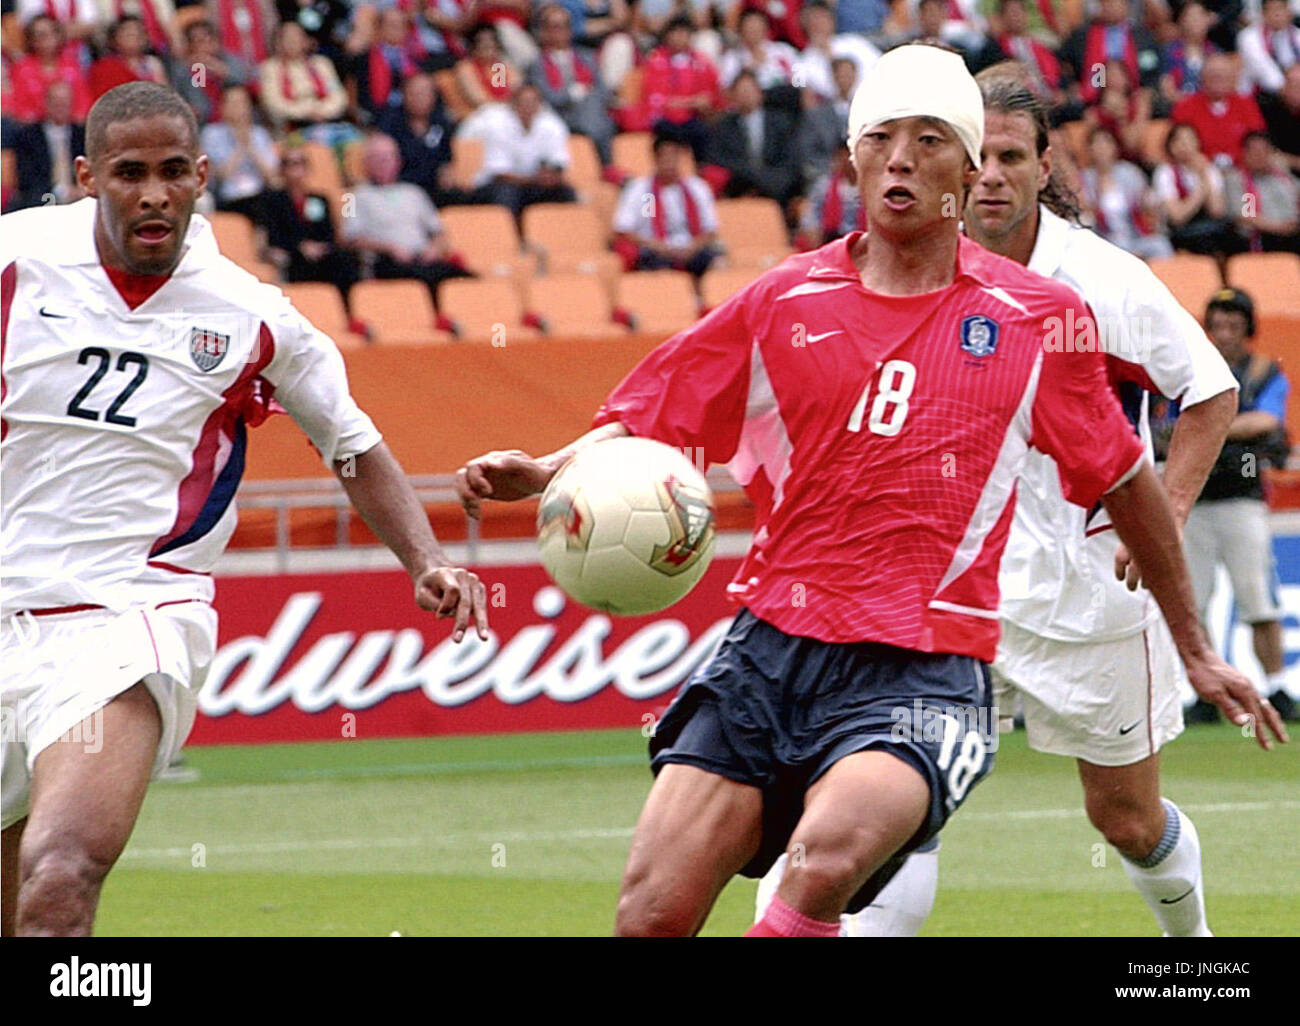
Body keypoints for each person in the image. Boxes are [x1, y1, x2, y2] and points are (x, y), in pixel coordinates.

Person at [454, 45, 1281, 937]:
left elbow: (1126, 478)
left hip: (926, 661)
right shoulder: (783, 298)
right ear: (850, 157)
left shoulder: (1042, 317)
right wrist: (552, 467)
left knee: (837, 864)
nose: (901, 158)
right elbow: (662, 402)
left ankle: (1192, 955)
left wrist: (1195, 649)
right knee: (650, 913)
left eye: (931, 140)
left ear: (967, 169)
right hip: (770, 647)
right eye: (881, 137)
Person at [761, 63, 1268, 938]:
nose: (990, 174)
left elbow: (1211, 391)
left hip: (1091, 599)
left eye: (1010, 156)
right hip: (948, 594)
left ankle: (1194, 954)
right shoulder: (911, 266)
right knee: (892, 810)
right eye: (976, 155)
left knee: (1127, 821)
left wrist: (1168, 511)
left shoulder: (1105, 282)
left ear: (1044, 166)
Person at [0, 81, 489, 937]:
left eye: (171, 172)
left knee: (61, 873)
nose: (152, 193)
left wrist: (427, 559)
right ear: (85, 176)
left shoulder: (256, 317)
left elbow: (353, 443)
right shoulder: (18, 258)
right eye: (127, 173)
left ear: (201, 177)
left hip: (128, 616)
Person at [1182, 288, 1297, 724]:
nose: (1224, 334)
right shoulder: (1192, 368)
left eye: (1233, 325)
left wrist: (1210, 426)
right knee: (1194, 601)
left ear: (1247, 329)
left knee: (1257, 598)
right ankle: (1212, 689)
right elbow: (1167, 425)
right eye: (1217, 325)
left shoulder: (1265, 371)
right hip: (1194, 498)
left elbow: (1268, 421)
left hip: (1242, 499)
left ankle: (1276, 686)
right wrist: (1233, 429)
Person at [341, 131, 473, 310]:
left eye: (389, 158)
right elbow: (349, 239)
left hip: (423, 258)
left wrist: (434, 249)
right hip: (388, 261)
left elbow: (439, 232)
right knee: (420, 277)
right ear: (366, 164)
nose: (384, 163)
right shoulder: (353, 196)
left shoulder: (414, 192)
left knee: (465, 278)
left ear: (398, 161)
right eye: (378, 158)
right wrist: (390, 248)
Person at [258, 144, 370, 338]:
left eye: (301, 163)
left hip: (322, 254)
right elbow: (273, 235)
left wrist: (320, 246)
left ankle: (350, 315)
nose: (296, 169)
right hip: (293, 255)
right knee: (300, 262)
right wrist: (299, 247)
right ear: (282, 170)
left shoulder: (320, 199)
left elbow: (328, 233)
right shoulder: (272, 200)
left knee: (345, 259)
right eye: (291, 164)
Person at [612, 129, 720, 276]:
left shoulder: (696, 188)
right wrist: (658, 246)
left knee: (717, 260)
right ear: (655, 159)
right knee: (654, 264)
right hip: (656, 249)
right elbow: (624, 229)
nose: (669, 163)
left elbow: (710, 229)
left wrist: (693, 247)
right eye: (665, 157)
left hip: (690, 247)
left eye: (674, 157)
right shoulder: (644, 191)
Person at [466, 83, 578, 217]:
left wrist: (549, 176)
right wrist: (533, 179)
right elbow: (499, 174)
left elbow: (559, 163)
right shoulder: (497, 126)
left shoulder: (552, 125)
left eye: (533, 102)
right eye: (524, 102)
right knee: (507, 194)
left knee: (566, 192)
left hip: (534, 184)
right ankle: (507, 234)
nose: (529, 106)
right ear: (514, 104)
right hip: (499, 185)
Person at [527, 3, 617, 165]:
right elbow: (548, 98)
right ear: (544, 31)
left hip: (590, 113)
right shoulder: (537, 65)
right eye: (554, 27)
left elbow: (603, 91)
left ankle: (605, 166)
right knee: (596, 117)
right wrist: (571, 95)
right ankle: (607, 166)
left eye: (564, 26)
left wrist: (585, 95)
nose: (560, 32)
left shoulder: (587, 57)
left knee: (596, 108)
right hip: (560, 116)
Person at [703, 69, 802, 208]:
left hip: (776, 190)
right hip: (739, 191)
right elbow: (717, 160)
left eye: (749, 90)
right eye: (741, 91)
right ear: (733, 97)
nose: (746, 96)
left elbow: (791, 160)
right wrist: (751, 178)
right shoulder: (723, 127)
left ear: (760, 93)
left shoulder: (781, 123)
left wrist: (768, 182)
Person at [1080, 126, 1173, 260]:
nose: (1102, 148)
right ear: (1089, 149)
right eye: (1097, 143)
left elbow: (1147, 201)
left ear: (1115, 147)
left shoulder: (1129, 172)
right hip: (1106, 239)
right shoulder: (1086, 178)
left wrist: (1148, 205)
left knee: (1161, 245)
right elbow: (1085, 212)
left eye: (1106, 143)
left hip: (1135, 235)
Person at [1152, 121, 1240, 257]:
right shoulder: (1165, 172)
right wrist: (1201, 188)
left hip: (1209, 227)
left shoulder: (1209, 169)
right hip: (1181, 230)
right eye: (1179, 141)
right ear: (1171, 146)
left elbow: (1217, 211)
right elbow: (1178, 216)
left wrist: (1203, 175)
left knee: (1234, 235)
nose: (1185, 146)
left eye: (1189, 140)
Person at [199, 84, 280, 222]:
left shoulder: (259, 134)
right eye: (234, 103)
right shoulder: (212, 134)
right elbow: (220, 175)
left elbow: (271, 177)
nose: (239, 108)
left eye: (243, 102)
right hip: (228, 195)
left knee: (278, 199)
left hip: (260, 193)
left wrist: (251, 147)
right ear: (222, 107)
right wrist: (240, 146)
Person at [1171, 53, 1267, 167]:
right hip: (1200, 169)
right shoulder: (1185, 106)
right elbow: (1178, 144)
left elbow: (1258, 141)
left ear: (1233, 78)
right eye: (1213, 75)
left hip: (1243, 169)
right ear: (1202, 78)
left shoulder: (1246, 104)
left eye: (1223, 75)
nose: (1218, 80)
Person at [1224, 131, 1300, 255]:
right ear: (1245, 153)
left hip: (1293, 231)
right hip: (1263, 236)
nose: (1260, 156)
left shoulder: (1283, 176)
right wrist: (1279, 228)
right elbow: (1246, 216)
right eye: (1255, 151)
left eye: (1265, 151)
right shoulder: (1238, 180)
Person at [170, 17, 254, 125]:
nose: (204, 46)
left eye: (208, 40)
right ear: (190, 46)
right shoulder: (184, 69)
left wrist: (218, 68)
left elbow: (245, 80)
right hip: (204, 125)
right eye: (198, 42)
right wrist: (199, 70)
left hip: (238, 123)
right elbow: (198, 105)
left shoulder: (229, 59)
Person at [1238, 0, 1300, 95]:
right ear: (1263, 14)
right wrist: (1290, 89)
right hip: (1264, 93)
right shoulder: (1248, 37)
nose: (1277, 14)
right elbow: (1264, 71)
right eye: (1272, 10)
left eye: (1280, 9)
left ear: (1289, 12)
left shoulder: (1297, 35)